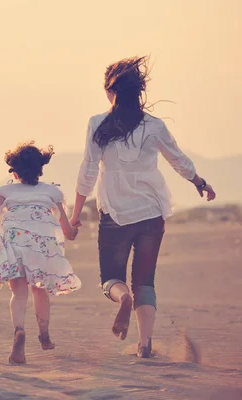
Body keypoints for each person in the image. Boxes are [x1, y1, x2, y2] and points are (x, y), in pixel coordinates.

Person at [70, 56, 216, 358]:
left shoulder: (98, 124)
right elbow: (177, 159)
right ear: (139, 91)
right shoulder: (154, 126)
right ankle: (144, 343)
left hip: (115, 213)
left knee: (111, 279)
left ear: (110, 92)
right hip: (152, 211)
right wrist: (199, 182)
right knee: (145, 281)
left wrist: (75, 214)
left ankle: (122, 298)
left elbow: (88, 170)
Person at [0, 142, 82, 364]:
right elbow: (66, 228)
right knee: (39, 290)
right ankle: (44, 335)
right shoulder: (52, 192)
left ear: (14, 171)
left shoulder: (5, 191)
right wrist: (73, 231)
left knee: (18, 292)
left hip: (14, 241)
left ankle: (19, 330)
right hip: (41, 245)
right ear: (41, 169)